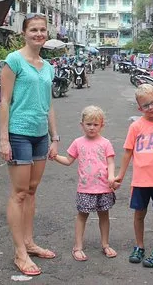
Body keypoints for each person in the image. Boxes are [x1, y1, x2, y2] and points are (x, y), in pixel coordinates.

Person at [0, 12, 60, 277]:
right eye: (33, 29)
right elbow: (4, 101)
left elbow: (48, 104)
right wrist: (4, 139)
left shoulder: (48, 67)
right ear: (23, 33)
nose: (38, 34)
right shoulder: (14, 60)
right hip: (19, 133)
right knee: (20, 192)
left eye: (42, 30)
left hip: (40, 135)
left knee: (32, 190)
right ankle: (19, 252)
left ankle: (29, 242)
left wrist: (54, 137)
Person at [113, 84, 153, 268]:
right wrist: (120, 175)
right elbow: (127, 153)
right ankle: (139, 246)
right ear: (140, 108)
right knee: (139, 214)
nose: (151, 107)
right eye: (146, 105)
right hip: (140, 180)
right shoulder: (136, 126)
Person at [53, 105, 117, 262]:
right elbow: (68, 160)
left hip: (104, 187)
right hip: (85, 188)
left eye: (95, 124)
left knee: (104, 215)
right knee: (82, 216)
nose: (92, 127)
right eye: (88, 124)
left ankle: (105, 244)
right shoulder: (78, 142)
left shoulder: (106, 143)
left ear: (102, 125)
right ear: (82, 125)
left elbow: (110, 162)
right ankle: (78, 246)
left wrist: (111, 176)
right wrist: (55, 157)